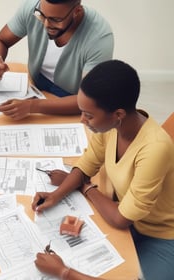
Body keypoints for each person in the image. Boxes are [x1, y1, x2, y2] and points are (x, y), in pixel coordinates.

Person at [32, 60, 174, 280]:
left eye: (88, 115)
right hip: (127, 217)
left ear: (118, 114)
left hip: (160, 235)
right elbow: (87, 164)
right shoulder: (110, 126)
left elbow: (120, 218)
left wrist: (63, 272)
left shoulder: (155, 149)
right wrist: (55, 195)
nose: (82, 120)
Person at [0, 0, 113, 120]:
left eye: (55, 19)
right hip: (35, 87)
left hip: (72, 103)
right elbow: (1, 41)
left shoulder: (99, 38)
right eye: (42, 15)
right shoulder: (33, 7)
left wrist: (32, 106)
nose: (46, 24)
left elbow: (89, 99)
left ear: (77, 11)